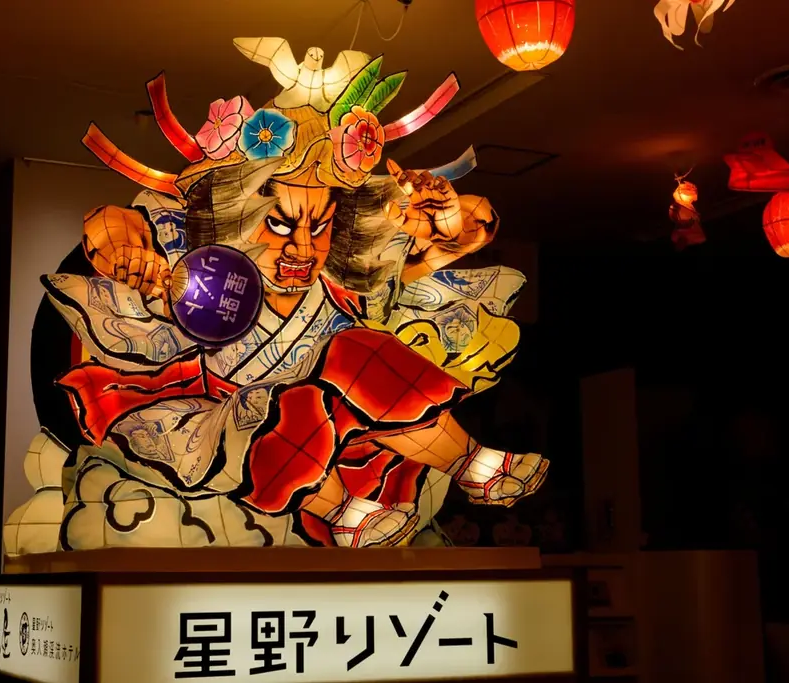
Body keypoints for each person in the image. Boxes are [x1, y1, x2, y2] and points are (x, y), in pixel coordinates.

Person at [37, 39, 549, 548]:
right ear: (239, 217)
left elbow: (473, 224)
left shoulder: (341, 282)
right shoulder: (202, 267)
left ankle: (472, 463)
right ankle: (344, 514)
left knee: (359, 350)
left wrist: (448, 216)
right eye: (280, 225)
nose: (303, 247)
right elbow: (108, 222)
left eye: (319, 226)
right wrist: (127, 252)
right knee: (274, 414)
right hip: (228, 427)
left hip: (347, 430)